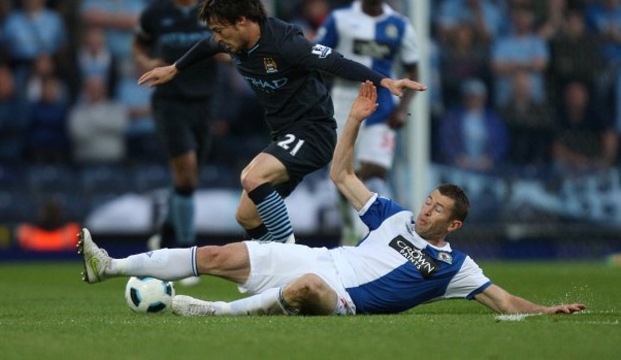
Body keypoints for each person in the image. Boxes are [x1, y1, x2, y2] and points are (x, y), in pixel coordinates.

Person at [78, 81, 587, 317]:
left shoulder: (456, 268)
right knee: (216, 255)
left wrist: (545, 311)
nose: (427, 208)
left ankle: (210, 313)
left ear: (453, 226)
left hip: (342, 298)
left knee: (306, 290)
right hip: (319, 257)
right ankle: (110, 265)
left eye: (437, 209)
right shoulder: (396, 217)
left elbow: (502, 301)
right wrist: (354, 122)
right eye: (428, 200)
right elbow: (341, 175)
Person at [138, 0, 426, 244]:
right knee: (247, 216)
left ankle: (291, 255)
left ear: (241, 20)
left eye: (219, 30)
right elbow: (208, 46)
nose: (218, 38)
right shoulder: (233, 40)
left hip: (313, 131)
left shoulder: (285, 43)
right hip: (285, 134)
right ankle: (281, 273)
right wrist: (174, 69)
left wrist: (385, 80)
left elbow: (334, 61)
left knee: (252, 177)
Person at [315, 0, 419, 245]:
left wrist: (402, 108)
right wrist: (348, 73)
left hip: (382, 107)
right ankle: (350, 224)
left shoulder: (400, 25)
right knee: (341, 173)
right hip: (343, 104)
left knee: (374, 171)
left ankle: (371, 237)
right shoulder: (340, 19)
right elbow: (316, 58)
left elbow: (413, 69)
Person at [132, 0, 218, 260]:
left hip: (204, 101)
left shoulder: (212, 13)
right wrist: (147, 61)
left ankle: (166, 233)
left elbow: (229, 45)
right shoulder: (156, 14)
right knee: (186, 172)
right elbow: (139, 44)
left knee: (189, 178)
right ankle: (185, 249)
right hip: (169, 101)